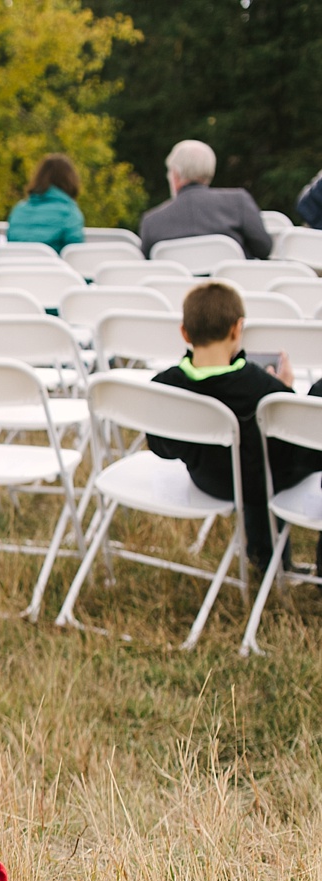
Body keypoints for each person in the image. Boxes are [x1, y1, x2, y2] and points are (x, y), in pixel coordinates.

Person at [147, 282, 322, 570]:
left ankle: (265, 557)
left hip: (208, 479)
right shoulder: (263, 387)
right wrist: (284, 388)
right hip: (263, 482)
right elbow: (291, 440)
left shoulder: (164, 385)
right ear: (237, 329)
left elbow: (161, 447)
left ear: (185, 332)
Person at [139, 140, 272, 258]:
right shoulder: (238, 202)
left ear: (176, 174)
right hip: (230, 285)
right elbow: (264, 249)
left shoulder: (152, 222)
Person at [6, 154, 86, 251]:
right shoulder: (70, 213)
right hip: (53, 266)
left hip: (17, 265)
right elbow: (75, 255)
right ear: (70, 181)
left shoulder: (18, 210)